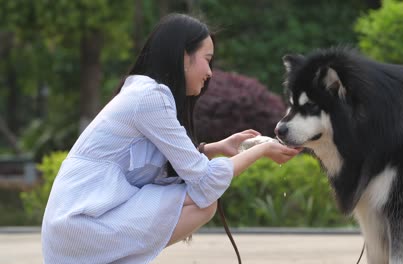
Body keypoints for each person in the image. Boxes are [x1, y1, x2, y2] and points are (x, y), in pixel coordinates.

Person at [41, 13, 301, 263]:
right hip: (82, 225)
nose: (210, 72)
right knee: (203, 202)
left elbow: (161, 167)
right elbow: (205, 182)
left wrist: (215, 148)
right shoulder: (151, 98)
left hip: (72, 228)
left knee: (199, 199)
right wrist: (261, 150)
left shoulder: (143, 92)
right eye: (207, 59)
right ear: (183, 57)